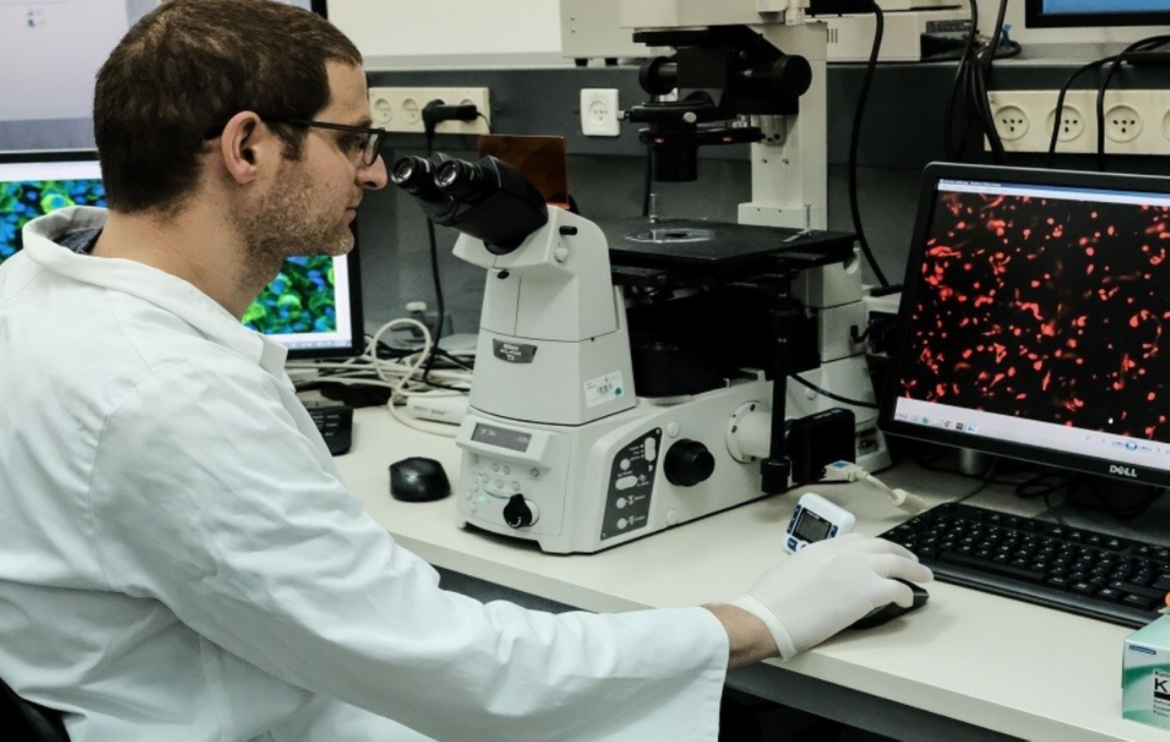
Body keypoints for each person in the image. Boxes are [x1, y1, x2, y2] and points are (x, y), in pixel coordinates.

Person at [0, 1, 932, 739]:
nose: (374, 174)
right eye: (354, 140)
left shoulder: (30, 292)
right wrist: (758, 620)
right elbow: (465, 670)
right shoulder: (169, 395)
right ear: (247, 148)